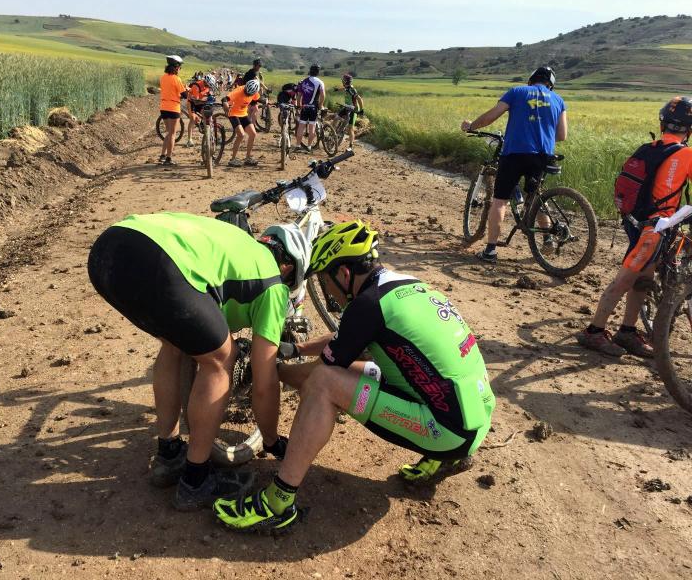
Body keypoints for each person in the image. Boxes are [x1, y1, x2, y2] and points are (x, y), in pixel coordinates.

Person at [213, 220, 496, 532]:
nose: (328, 291)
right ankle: (446, 456)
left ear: (344, 274)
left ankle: (278, 502)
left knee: (323, 383)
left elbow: (316, 372)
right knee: (359, 370)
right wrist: (296, 349)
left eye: (325, 280)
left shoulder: (368, 306)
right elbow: (348, 339)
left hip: (448, 432)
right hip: (476, 417)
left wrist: (269, 371)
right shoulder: (403, 286)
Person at [87, 212, 311, 510]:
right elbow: (265, 384)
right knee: (221, 359)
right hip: (158, 262)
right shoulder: (273, 284)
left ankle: (169, 454)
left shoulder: (240, 245)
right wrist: (270, 440)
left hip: (109, 248)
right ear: (288, 267)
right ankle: (196, 481)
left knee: (174, 345)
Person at [577, 97, 692, 358]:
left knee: (643, 279)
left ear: (662, 124)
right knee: (625, 280)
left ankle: (627, 331)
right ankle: (593, 332)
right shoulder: (686, 154)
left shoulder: (650, 147)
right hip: (654, 229)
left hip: (638, 223)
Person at [461, 66, 568, 263]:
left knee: (500, 201)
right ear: (550, 84)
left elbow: (492, 116)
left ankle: (490, 251)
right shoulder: (558, 100)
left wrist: (471, 126)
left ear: (531, 79)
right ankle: (547, 238)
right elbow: (562, 135)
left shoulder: (517, 92)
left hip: (515, 153)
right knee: (535, 196)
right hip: (543, 155)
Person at [222, 78, 261, 167]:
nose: (247, 94)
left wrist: (264, 101)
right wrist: (225, 104)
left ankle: (248, 158)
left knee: (253, 134)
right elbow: (224, 99)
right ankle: (232, 159)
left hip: (243, 114)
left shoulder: (254, 92)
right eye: (246, 92)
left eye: (249, 94)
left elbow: (256, 100)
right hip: (233, 113)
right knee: (241, 134)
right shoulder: (239, 90)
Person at [158, 55, 187, 167]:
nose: (180, 69)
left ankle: (162, 155)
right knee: (172, 134)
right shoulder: (176, 79)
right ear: (176, 67)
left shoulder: (163, 77)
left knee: (168, 132)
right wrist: (187, 90)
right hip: (173, 107)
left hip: (163, 107)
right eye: (180, 67)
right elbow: (184, 95)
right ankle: (169, 158)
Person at [295, 64, 326, 152]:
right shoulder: (320, 82)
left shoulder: (304, 81)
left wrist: (298, 106)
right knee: (312, 127)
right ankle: (309, 147)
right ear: (318, 72)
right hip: (314, 108)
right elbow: (323, 95)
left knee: (301, 126)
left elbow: (299, 96)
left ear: (310, 71)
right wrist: (320, 105)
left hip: (304, 107)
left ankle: (298, 145)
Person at [184, 74, 217, 147]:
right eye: (208, 85)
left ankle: (208, 133)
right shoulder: (196, 86)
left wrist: (211, 99)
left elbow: (209, 95)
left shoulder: (208, 86)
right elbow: (196, 101)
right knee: (192, 118)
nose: (209, 87)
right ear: (205, 82)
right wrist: (207, 100)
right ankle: (189, 140)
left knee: (206, 114)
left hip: (201, 101)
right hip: (192, 102)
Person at [334, 74, 364, 148]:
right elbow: (343, 88)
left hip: (353, 109)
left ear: (345, 81)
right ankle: (333, 132)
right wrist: (337, 89)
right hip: (346, 107)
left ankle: (350, 146)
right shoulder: (347, 87)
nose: (342, 81)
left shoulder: (351, 90)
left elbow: (359, 99)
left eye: (342, 80)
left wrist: (361, 110)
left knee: (350, 128)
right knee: (336, 118)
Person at [243, 59, 268, 127]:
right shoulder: (252, 73)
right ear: (255, 65)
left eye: (260, 66)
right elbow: (259, 81)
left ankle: (248, 125)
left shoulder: (251, 72)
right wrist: (266, 88)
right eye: (259, 66)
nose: (259, 67)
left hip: (247, 93)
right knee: (255, 109)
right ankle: (252, 126)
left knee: (250, 110)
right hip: (249, 93)